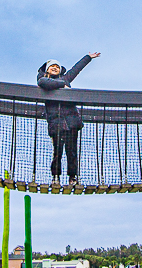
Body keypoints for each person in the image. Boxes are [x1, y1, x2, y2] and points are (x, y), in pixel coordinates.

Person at [37, 52, 101, 185]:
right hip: (56, 122)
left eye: (57, 67)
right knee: (57, 152)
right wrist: (62, 85)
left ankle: (73, 177)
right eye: (52, 66)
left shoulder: (66, 78)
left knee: (71, 152)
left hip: (71, 121)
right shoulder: (44, 80)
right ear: (47, 69)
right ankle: (56, 177)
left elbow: (76, 69)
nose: (55, 68)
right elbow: (43, 82)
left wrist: (88, 57)